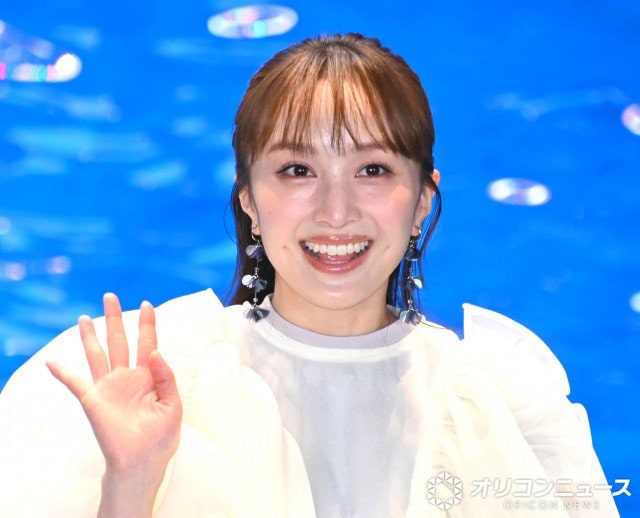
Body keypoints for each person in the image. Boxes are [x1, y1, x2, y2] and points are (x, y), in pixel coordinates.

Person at [0, 33, 619, 517]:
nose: (336, 211)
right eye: (297, 170)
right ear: (248, 199)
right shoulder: (154, 379)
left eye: (373, 170)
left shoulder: (498, 398)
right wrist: (132, 479)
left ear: (422, 201)